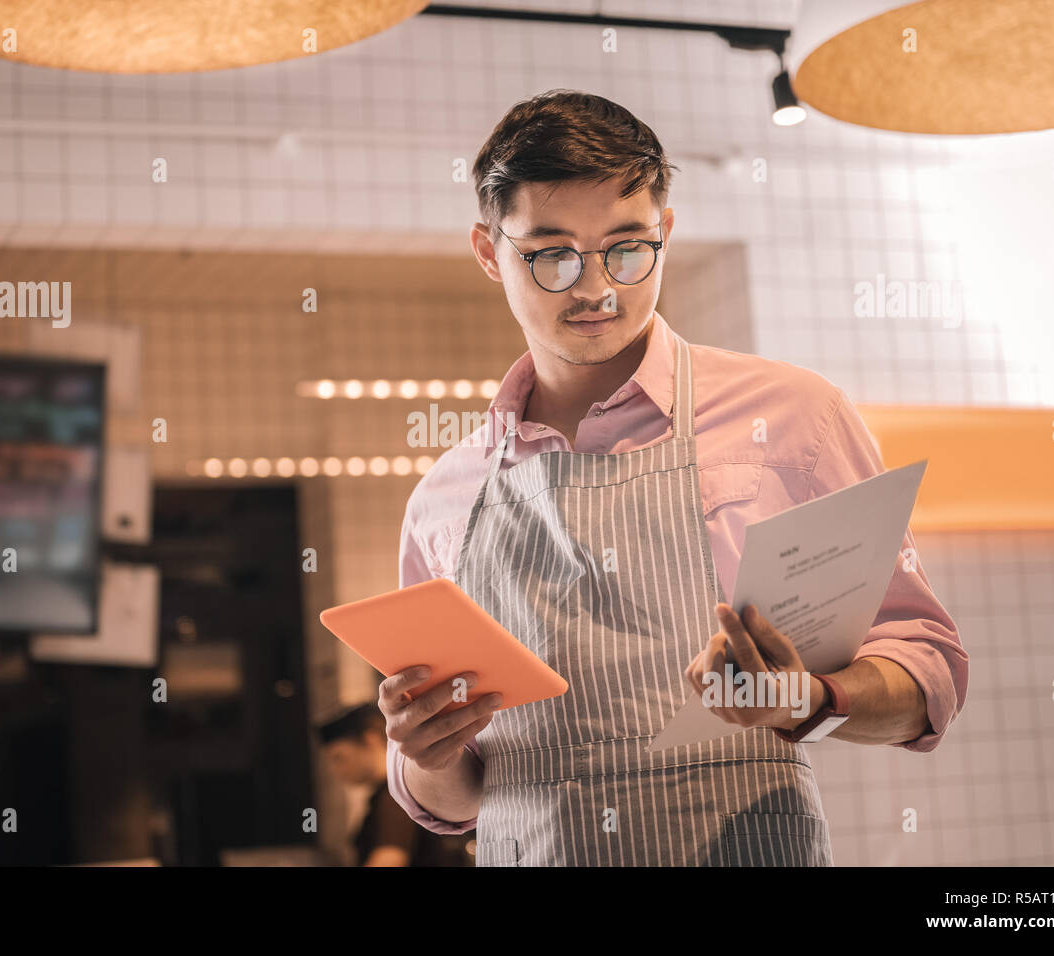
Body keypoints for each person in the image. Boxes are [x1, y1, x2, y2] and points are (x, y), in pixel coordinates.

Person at [379, 89, 969, 867]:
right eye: (551, 254)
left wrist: (809, 700)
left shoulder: (796, 417)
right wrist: (428, 751)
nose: (597, 289)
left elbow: (924, 675)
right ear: (490, 253)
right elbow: (454, 806)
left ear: (666, 232)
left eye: (628, 248)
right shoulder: (443, 501)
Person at [316, 703, 472, 867]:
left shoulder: (395, 795)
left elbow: (389, 859)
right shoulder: (394, 791)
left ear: (371, 739)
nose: (335, 770)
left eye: (339, 758)